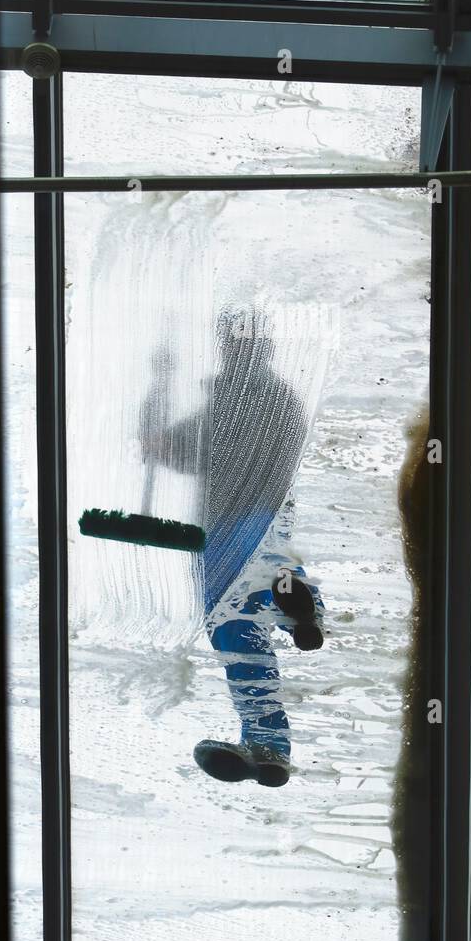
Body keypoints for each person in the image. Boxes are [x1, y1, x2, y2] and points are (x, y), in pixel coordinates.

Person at [140, 315, 324, 787]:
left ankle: (269, 738)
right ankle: (296, 604)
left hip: (227, 523)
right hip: (271, 519)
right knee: (261, 589)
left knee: (232, 626)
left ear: (224, 347)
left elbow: (170, 447)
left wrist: (156, 394)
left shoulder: (227, 400)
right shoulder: (285, 400)